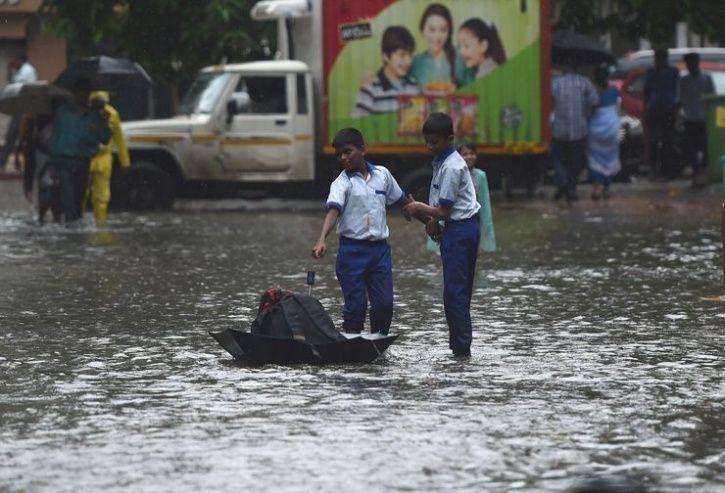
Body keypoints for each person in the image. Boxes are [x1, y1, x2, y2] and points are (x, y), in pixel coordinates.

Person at [312, 128, 409, 335]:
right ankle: (350, 344)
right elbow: (333, 211)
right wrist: (322, 239)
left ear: (362, 150)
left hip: (380, 252)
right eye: (339, 154)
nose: (343, 158)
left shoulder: (382, 175)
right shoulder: (341, 183)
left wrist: (428, 220)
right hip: (352, 252)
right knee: (356, 307)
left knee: (384, 305)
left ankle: (377, 344)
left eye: (348, 152)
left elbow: (403, 202)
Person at [403, 113, 480, 357]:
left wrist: (418, 208)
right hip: (460, 227)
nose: (429, 146)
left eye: (434, 142)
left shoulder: (451, 166)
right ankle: (461, 348)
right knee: (458, 291)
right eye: (426, 141)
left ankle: (460, 351)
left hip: (460, 229)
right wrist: (432, 220)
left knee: (454, 294)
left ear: (450, 139)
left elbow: (445, 211)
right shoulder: (442, 160)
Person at [49, 77, 111, 226]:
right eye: (80, 92)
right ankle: (70, 228)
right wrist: (53, 163)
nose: (83, 96)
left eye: (86, 93)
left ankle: (76, 226)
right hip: (63, 161)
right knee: (68, 197)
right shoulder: (62, 112)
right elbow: (56, 137)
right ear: (74, 93)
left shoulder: (95, 116)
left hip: (83, 161)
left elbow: (105, 139)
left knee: (79, 198)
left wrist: (104, 121)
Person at [426, 142, 496, 253]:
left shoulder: (480, 176)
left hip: (471, 221)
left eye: (472, 153)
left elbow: (485, 204)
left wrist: (486, 228)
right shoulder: (452, 172)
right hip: (452, 221)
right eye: (465, 154)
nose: (469, 157)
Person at [551, 64, 599, 203]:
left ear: (563, 70)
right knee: (575, 161)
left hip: (559, 130)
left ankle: (563, 181)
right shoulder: (584, 82)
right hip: (579, 129)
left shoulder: (555, 84)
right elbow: (594, 101)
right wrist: (586, 113)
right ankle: (571, 189)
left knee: (558, 159)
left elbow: (548, 102)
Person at [83, 91, 131, 226]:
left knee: (102, 196)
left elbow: (119, 138)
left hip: (104, 159)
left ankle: (100, 223)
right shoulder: (84, 113)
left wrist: (125, 162)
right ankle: (80, 220)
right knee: (82, 193)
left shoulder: (112, 115)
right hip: (85, 157)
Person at [352, 26, 419, 117]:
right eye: (402, 55)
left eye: (410, 55)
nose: (408, 61)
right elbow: (357, 125)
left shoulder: (413, 84)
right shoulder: (370, 88)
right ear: (386, 56)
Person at [409, 3, 465, 93]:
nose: (437, 36)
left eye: (443, 30)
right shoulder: (415, 62)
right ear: (423, 30)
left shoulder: (461, 56)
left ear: (449, 32)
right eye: (432, 29)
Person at [643, 48, 680, 179]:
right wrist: (646, 108)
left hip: (668, 108)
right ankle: (653, 166)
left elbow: (676, 91)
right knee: (653, 139)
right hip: (654, 109)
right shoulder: (651, 72)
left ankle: (666, 168)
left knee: (668, 140)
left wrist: (676, 108)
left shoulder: (672, 72)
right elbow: (646, 91)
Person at [679, 52, 715, 188]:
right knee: (691, 149)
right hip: (690, 118)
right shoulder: (684, 80)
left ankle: (704, 173)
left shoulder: (706, 78)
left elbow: (711, 98)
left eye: (692, 63)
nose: (690, 66)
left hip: (703, 119)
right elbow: (680, 99)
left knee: (705, 148)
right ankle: (696, 173)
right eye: (688, 64)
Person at [587, 66, 622, 200]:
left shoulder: (593, 93)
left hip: (595, 130)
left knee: (594, 159)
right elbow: (619, 108)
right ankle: (606, 188)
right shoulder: (614, 91)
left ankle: (598, 186)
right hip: (612, 129)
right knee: (610, 159)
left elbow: (589, 110)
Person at [0, 53, 38, 171]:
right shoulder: (20, 71)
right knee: (13, 136)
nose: (13, 64)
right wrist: (9, 70)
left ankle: (3, 163)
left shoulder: (27, 70)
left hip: (24, 108)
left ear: (19, 60)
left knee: (14, 136)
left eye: (14, 61)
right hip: (20, 108)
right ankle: (3, 162)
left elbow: (21, 88)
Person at [457, 18, 507, 84]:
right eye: (459, 46)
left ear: (483, 46)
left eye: (466, 46)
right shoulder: (490, 65)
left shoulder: (485, 73)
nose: (461, 51)